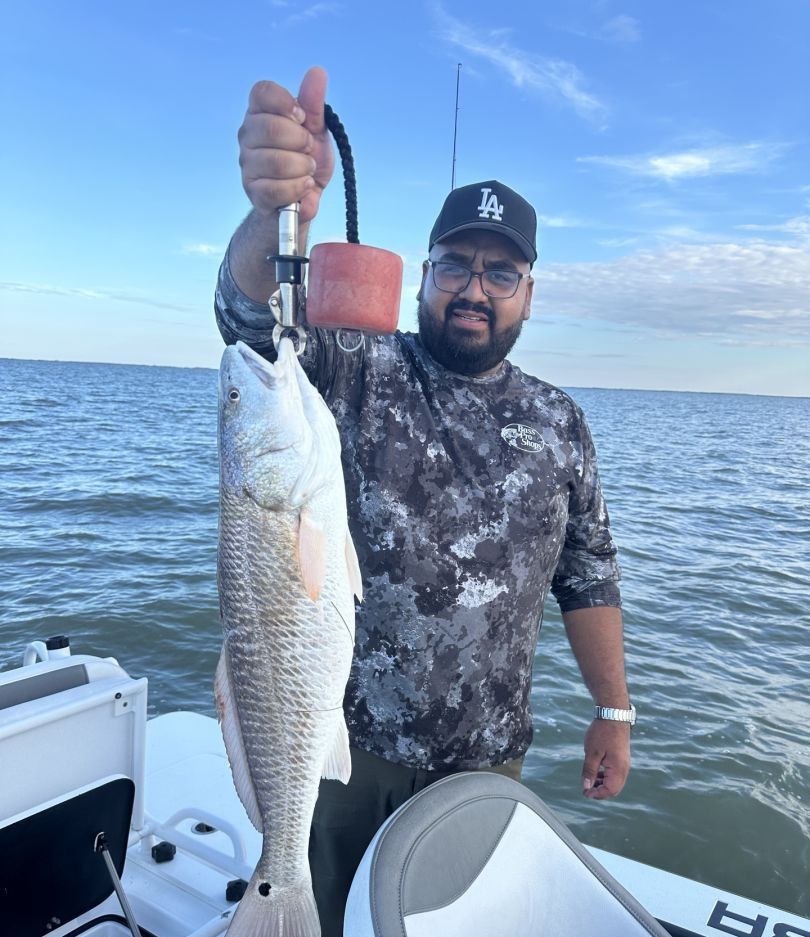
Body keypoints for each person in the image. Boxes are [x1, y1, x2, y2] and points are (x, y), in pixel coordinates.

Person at [215, 66, 634, 936]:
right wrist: (272, 216)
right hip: (339, 743)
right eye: (454, 264)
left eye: (501, 272)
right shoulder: (356, 369)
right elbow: (251, 329)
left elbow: (587, 578)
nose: (473, 288)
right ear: (422, 275)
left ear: (529, 291)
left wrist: (613, 711)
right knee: (312, 915)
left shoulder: (562, 423)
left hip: (484, 763)